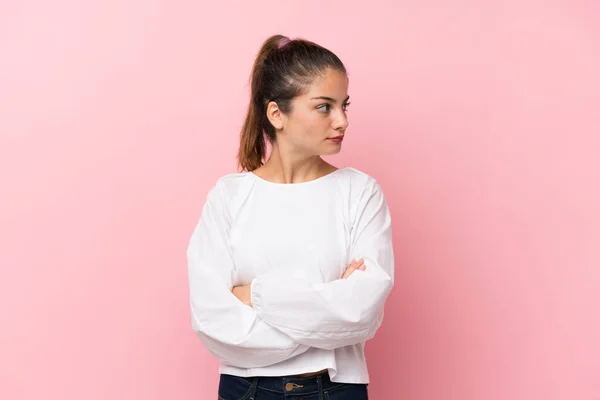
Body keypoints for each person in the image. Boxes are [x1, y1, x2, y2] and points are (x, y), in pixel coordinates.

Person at [187, 34, 394, 400]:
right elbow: (211, 320)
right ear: (276, 114)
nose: (342, 120)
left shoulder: (359, 193)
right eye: (323, 107)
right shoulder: (230, 196)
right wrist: (325, 310)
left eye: (344, 105)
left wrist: (255, 295)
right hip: (244, 390)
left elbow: (360, 312)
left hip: (336, 388)